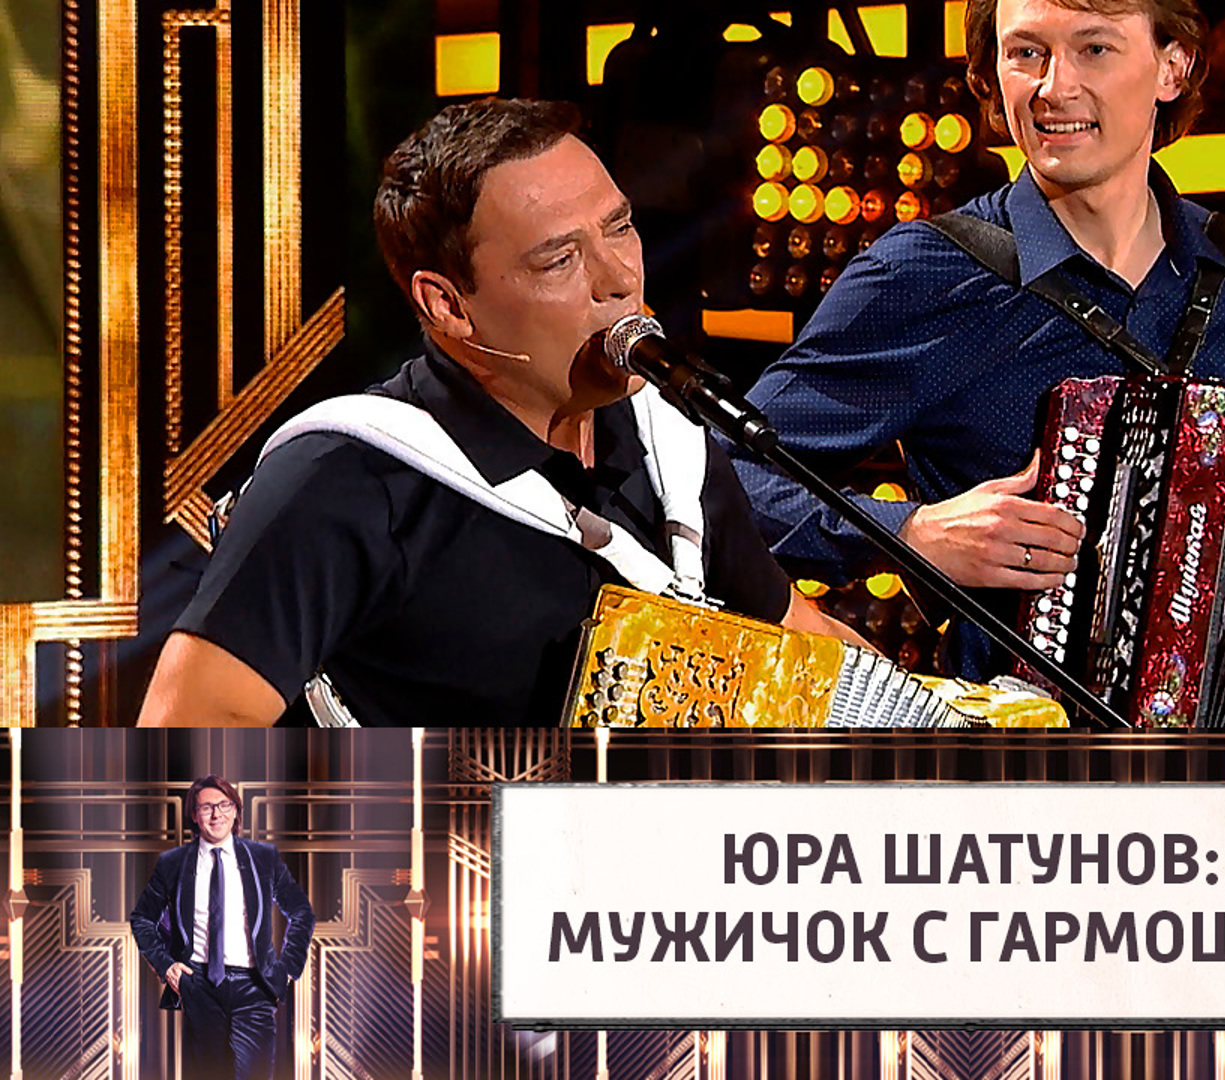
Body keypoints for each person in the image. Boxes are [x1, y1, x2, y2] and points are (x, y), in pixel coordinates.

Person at [138, 98, 860, 727]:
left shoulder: (672, 450)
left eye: (619, 228)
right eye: (560, 260)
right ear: (449, 306)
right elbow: (187, 743)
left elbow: (805, 646)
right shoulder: (343, 479)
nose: (619, 279)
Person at [731, 0, 1225, 681]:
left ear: (1172, 67)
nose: (1055, 88)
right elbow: (717, 478)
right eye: (1026, 53)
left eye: (1094, 49)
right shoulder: (924, 276)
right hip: (1022, 739)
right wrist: (908, 534)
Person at [129, 776, 315, 1080]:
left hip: (255, 985)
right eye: (206, 807)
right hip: (199, 984)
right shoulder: (172, 862)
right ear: (194, 814)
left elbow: (301, 912)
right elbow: (142, 918)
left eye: (224, 805)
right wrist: (166, 965)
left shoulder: (263, 857)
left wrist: (288, 969)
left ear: (236, 810)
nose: (216, 814)